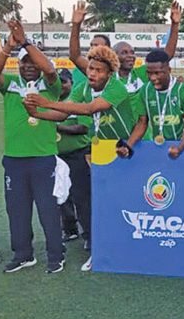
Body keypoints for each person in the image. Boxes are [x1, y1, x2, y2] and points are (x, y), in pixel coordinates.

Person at [24, 44, 136, 272]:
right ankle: (102, 251)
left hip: (130, 147)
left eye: (98, 70)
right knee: (103, 202)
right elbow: (66, 111)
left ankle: (132, 247)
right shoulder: (84, 87)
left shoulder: (117, 88)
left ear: (109, 73)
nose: (93, 74)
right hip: (104, 150)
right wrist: (39, 114)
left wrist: (45, 102)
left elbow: (89, 109)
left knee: (129, 201)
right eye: (91, 69)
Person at [0, 20, 65, 274]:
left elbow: (50, 69)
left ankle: (56, 255)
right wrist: (10, 46)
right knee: (17, 211)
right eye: (24, 62)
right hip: (14, 159)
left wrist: (26, 43)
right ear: (18, 65)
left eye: (32, 63)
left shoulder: (50, 86)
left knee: (48, 210)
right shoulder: (11, 84)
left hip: (43, 158)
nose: (29, 66)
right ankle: (23, 254)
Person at [122, 49, 184, 159]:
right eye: (149, 73)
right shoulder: (145, 90)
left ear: (169, 70)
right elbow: (142, 123)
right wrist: (128, 146)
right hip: (157, 148)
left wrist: (179, 148)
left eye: (157, 73)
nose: (153, 78)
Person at [54, 69, 90, 245]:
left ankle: (89, 235)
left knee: (81, 197)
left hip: (77, 154)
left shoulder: (77, 100)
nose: (61, 85)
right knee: (61, 195)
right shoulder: (50, 100)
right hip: (56, 156)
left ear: (71, 82)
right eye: (57, 81)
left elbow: (83, 128)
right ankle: (70, 230)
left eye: (64, 81)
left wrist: (58, 127)